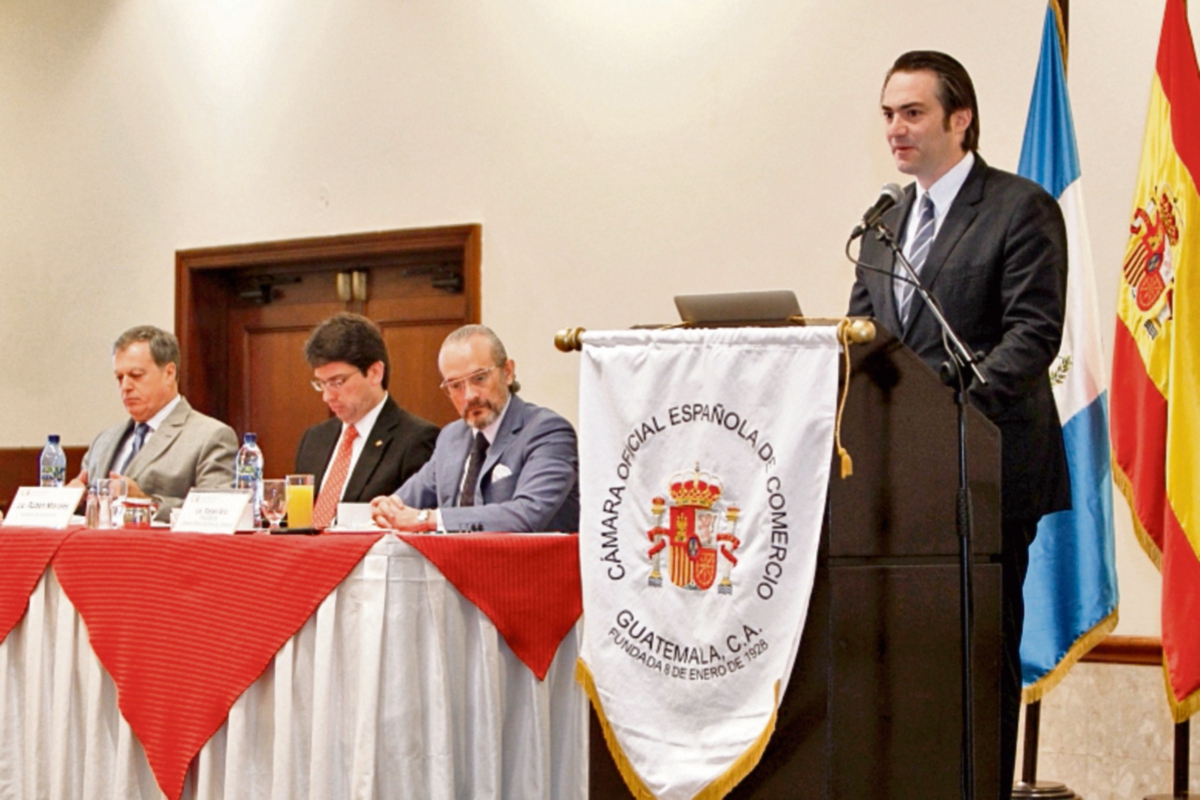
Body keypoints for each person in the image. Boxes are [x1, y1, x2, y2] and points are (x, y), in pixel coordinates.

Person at [847, 51, 1069, 798]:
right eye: (887, 114)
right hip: (896, 487)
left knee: (979, 654)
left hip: (987, 472)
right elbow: (861, 337)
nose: (895, 130)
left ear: (960, 118)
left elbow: (1032, 336)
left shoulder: (1020, 206)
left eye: (911, 113)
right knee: (910, 658)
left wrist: (947, 410)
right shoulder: (882, 224)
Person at [370, 324, 580, 533]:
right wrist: (388, 507)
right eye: (455, 386)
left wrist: (428, 518)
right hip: (453, 564)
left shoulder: (548, 432)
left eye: (479, 378)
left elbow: (527, 514)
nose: (469, 395)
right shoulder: (451, 437)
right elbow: (405, 500)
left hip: (527, 564)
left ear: (507, 372)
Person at [72, 326, 239, 522]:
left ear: (169, 373)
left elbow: (216, 512)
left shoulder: (211, 436)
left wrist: (146, 503)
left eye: (136, 375)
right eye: (119, 377)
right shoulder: (104, 441)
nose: (125, 386)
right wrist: (71, 501)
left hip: (163, 551)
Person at [294, 313, 439, 528]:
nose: (327, 396)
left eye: (337, 382)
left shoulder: (416, 439)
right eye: (321, 384)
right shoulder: (314, 439)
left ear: (374, 372)